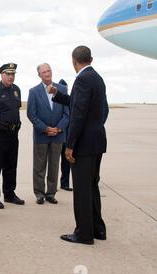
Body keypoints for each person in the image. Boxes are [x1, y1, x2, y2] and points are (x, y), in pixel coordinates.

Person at [48, 46, 109, 245]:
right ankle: (98, 229)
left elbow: (78, 115)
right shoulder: (96, 78)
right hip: (97, 141)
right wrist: (57, 94)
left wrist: (70, 144)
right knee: (92, 186)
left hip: (84, 144)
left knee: (82, 189)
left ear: (74, 61)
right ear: (91, 59)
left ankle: (84, 233)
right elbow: (95, 108)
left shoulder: (82, 79)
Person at [27, 63, 69, 205]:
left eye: (49, 70)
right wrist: (45, 128)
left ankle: (51, 193)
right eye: (44, 72)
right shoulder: (34, 91)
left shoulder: (62, 89)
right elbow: (31, 114)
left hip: (58, 135)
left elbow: (67, 113)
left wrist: (58, 128)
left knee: (54, 165)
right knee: (39, 166)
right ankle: (39, 193)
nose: (47, 73)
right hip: (41, 135)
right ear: (39, 75)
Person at [0, 63, 26, 209]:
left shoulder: (16, 90)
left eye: (13, 74)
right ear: (1, 74)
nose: (11, 77)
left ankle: (10, 194)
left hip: (13, 133)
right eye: (8, 74)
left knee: (11, 165)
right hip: (0, 133)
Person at [58, 79, 73, 192]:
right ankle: (52, 185)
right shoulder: (56, 100)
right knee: (53, 162)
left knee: (66, 162)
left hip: (68, 137)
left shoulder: (70, 100)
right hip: (58, 135)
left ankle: (65, 183)